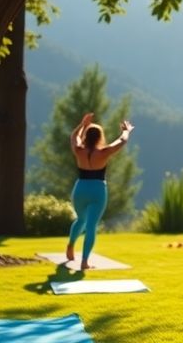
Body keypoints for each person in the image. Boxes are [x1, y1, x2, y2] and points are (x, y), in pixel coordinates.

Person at [66, 112, 134, 270]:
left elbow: (73, 136)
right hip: (97, 190)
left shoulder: (78, 150)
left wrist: (82, 125)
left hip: (80, 189)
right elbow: (122, 141)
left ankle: (70, 245)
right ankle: (84, 262)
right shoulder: (104, 152)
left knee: (80, 220)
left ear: (86, 136)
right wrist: (126, 130)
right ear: (99, 138)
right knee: (91, 226)